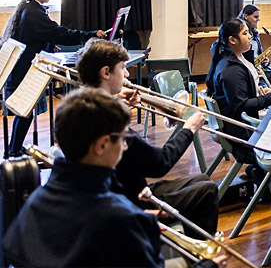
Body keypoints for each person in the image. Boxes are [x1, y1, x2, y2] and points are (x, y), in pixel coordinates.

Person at [2, 87, 226, 268]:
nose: (126, 145)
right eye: (122, 139)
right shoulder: (115, 217)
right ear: (101, 145)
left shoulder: (36, 201)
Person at [77, 39, 219, 239]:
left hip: (120, 191)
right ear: (106, 72)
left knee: (202, 180)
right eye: (123, 68)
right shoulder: (109, 122)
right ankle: (194, 251)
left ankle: (182, 239)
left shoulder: (83, 105)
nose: (127, 75)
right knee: (208, 190)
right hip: (132, 201)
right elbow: (160, 163)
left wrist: (119, 104)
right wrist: (188, 129)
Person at [0, 0, 105, 157]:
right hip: (25, 68)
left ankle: (14, 148)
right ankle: (14, 149)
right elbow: (58, 33)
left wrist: (49, 45)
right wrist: (89, 34)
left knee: (25, 114)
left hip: (23, 66)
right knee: (25, 113)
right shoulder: (34, 12)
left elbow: (35, 36)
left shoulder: (29, 8)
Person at [206, 19, 271, 177]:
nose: (250, 36)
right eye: (245, 33)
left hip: (237, 124)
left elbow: (239, 96)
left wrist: (258, 92)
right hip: (240, 132)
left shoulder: (233, 59)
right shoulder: (231, 69)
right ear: (232, 40)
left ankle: (258, 175)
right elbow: (241, 105)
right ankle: (262, 174)